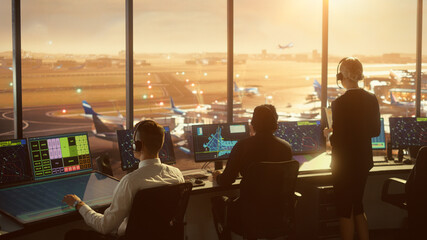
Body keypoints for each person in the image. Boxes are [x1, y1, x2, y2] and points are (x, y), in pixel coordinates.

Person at [62, 120, 184, 239]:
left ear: (137, 145)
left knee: (72, 235)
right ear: (161, 144)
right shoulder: (176, 174)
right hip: (162, 236)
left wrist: (79, 204)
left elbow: (104, 227)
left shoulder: (130, 181)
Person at [211, 104, 293, 240]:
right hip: (278, 213)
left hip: (249, 215)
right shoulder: (286, 147)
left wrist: (217, 176)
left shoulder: (242, 146)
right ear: (275, 124)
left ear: (253, 124)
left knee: (217, 202)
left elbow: (226, 181)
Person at [324, 57, 380, 240]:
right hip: (363, 162)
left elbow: (337, 141)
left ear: (341, 76)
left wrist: (329, 135)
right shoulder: (372, 99)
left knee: (344, 210)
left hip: (344, 165)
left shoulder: (338, 104)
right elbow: (375, 130)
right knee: (357, 206)